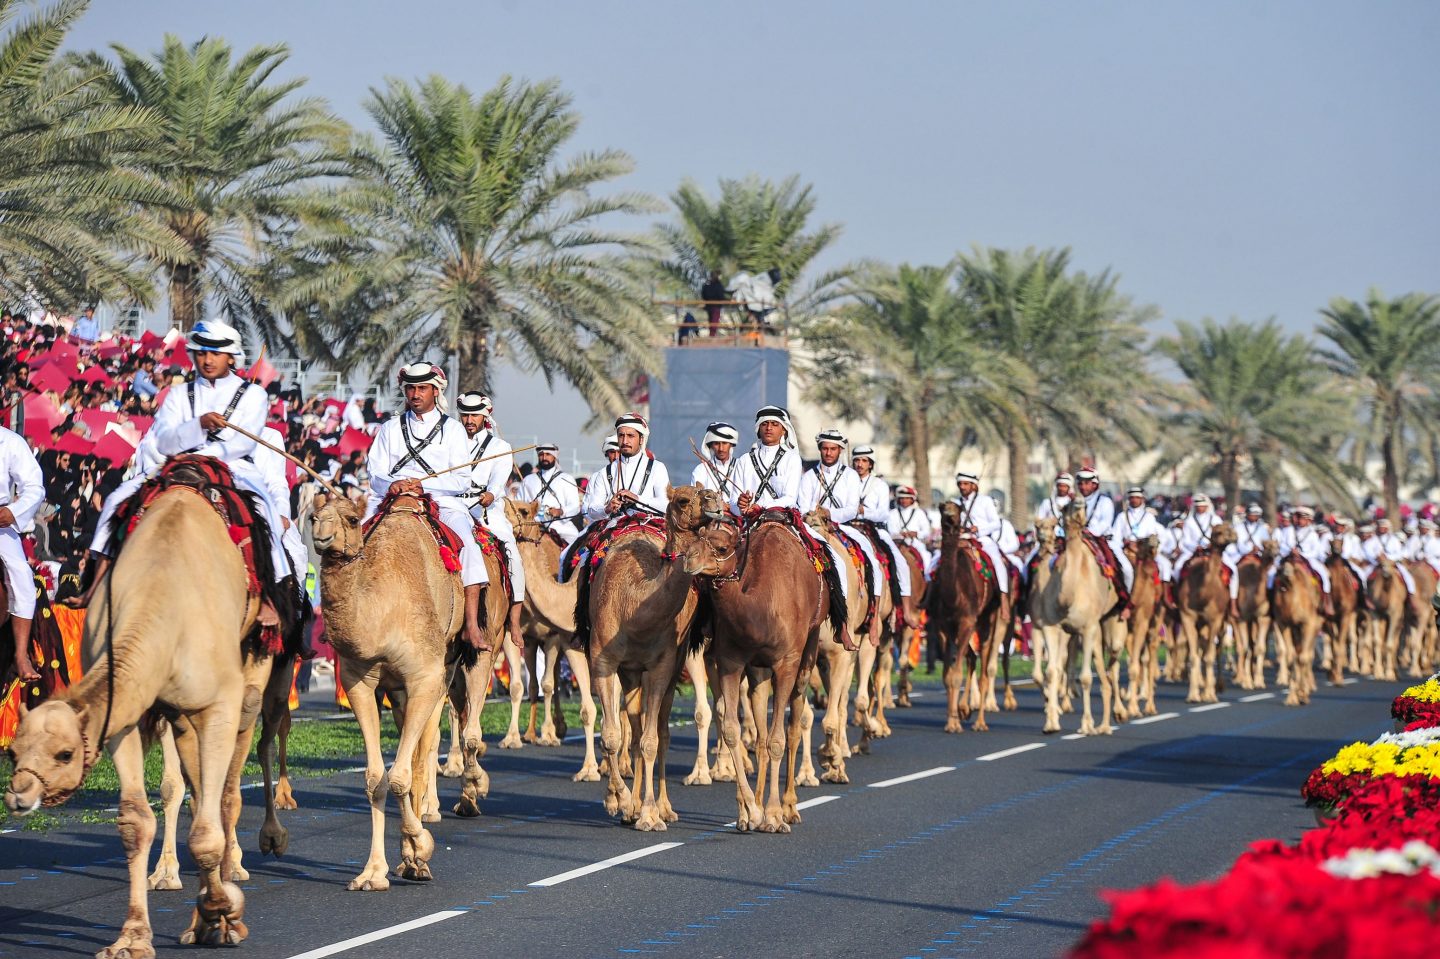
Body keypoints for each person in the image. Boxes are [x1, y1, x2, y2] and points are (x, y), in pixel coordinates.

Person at [365, 361, 491, 651]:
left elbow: (461, 479)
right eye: (410, 388)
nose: (415, 393)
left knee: (469, 545)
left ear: (436, 391)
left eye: (422, 388)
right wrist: (392, 485)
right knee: (355, 540)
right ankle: (347, 614)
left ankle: (471, 625)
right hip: (391, 499)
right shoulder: (389, 428)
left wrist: (425, 486)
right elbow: (375, 473)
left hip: (442, 502)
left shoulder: (455, 430)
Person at [730, 407, 856, 651]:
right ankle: (713, 625)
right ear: (758, 428)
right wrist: (741, 505)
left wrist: (759, 505)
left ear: (784, 429)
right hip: (750, 524)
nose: (769, 428)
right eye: (765, 423)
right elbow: (736, 502)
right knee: (717, 559)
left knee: (832, 557)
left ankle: (841, 622)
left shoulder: (790, 458)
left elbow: (789, 497)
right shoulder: (744, 461)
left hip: (782, 519)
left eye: (774, 424)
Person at [456, 391, 524, 650]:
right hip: (454, 509)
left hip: (486, 514)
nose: (469, 420)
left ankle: (514, 620)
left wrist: (491, 493)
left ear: (485, 417)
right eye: (465, 415)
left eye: (474, 415)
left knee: (513, 556)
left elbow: (498, 481)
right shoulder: (452, 441)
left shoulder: (499, 447)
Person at [850, 445, 918, 626]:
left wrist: (863, 511)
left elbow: (883, 514)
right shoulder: (846, 481)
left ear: (871, 464)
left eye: (864, 461)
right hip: (848, 526)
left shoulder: (879, 485)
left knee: (901, 563)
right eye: (857, 460)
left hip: (874, 529)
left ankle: (906, 609)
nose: (860, 464)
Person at [0, 424, 45, 681]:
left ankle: (20, 654)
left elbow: (34, 488)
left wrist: (13, 513)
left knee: (21, 576)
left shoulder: (10, 442)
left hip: (0, 520)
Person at [579, 412, 670, 525]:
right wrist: (607, 508)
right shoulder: (604, 473)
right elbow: (592, 510)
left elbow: (666, 505)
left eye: (630, 436)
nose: (625, 441)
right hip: (614, 527)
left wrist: (637, 499)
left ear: (641, 439)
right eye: (621, 436)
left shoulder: (657, 468)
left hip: (649, 525)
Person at [948, 471, 1010, 596]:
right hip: (960, 540)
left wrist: (979, 529)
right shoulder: (955, 503)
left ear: (973, 486)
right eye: (960, 484)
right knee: (936, 562)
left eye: (966, 484)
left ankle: (1003, 596)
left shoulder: (985, 501)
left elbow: (996, 523)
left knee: (997, 562)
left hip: (982, 540)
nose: (962, 487)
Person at [1273, 505, 1335, 614]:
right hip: (1289, 558)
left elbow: (1315, 551)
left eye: (1301, 518)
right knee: (1272, 573)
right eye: (1298, 517)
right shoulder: (1289, 531)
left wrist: (1301, 554)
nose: (1299, 520)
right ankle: (1271, 600)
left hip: (1307, 559)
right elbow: (1282, 545)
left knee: (1324, 575)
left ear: (1308, 520)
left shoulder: (1312, 534)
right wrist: (1290, 551)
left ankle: (1326, 601)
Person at [519, 442, 581, 544]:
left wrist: (560, 511)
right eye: (541, 455)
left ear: (554, 456)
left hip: (560, 525)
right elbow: (519, 503)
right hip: (532, 524)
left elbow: (575, 506)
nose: (544, 457)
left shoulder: (567, 479)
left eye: (548, 454)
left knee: (575, 543)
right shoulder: (528, 480)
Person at [1110, 485, 1170, 582]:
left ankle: (1164, 594)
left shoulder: (1149, 517)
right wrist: (1126, 544)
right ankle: (1127, 594)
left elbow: (1152, 537)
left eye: (1137, 498)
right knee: (1127, 570)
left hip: (1144, 550)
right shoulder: (1122, 516)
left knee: (1165, 565)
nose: (1134, 500)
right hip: (1126, 550)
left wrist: (1143, 545)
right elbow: (1116, 538)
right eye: (1132, 498)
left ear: (1142, 499)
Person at [887, 484, 933, 573]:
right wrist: (900, 534)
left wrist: (916, 534)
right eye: (902, 498)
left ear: (912, 499)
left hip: (915, 542)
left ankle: (927, 577)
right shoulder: (893, 513)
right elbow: (891, 530)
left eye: (907, 498)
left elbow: (926, 530)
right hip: (898, 543)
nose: (904, 500)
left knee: (926, 556)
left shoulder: (919, 513)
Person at [1365, 516, 1415, 596]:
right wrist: (1376, 558)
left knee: (1405, 574)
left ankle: (1410, 592)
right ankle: (1364, 592)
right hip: (1376, 563)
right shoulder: (1372, 540)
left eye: (1384, 527)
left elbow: (1399, 553)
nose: (1381, 529)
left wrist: (1388, 558)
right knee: (1364, 574)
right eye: (1380, 527)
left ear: (1387, 529)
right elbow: (1367, 551)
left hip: (1391, 563)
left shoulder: (1394, 540)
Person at [690, 421, 739, 494]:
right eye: (716, 444)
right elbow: (695, 499)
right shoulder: (701, 470)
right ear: (711, 446)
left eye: (725, 443)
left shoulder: (741, 465)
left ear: (731, 444)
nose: (721, 449)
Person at [701, 270, 729, 336]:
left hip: (709, 306)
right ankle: (712, 335)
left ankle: (712, 335)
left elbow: (704, 294)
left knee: (712, 321)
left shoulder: (707, 285)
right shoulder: (718, 285)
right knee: (714, 322)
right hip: (716, 306)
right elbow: (721, 296)